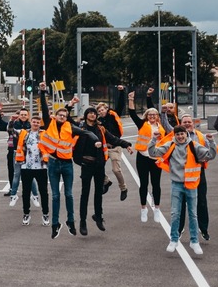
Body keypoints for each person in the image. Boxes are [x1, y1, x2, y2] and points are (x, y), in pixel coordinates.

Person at [147, 124, 217, 257]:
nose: (180, 136)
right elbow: (153, 153)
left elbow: (210, 155)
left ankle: (194, 241)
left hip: (191, 184)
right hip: (177, 184)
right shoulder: (170, 145)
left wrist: (212, 142)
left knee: (193, 213)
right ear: (175, 135)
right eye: (177, 134)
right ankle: (173, 239)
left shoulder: (194, 145)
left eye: (182, 134)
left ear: (186, 134)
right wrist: (153, 140)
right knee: (175, 213)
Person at [37, 84, 91, 239]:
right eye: (59, 115)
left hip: (67, 164)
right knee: (55, 195)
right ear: (55, 116)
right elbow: (46, 110)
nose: (62, 116)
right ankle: (55, 224)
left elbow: (84, 132)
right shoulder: (49, 123)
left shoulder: (70, 127)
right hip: (53, 163)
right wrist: (42, 92)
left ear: (67, 117)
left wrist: (94, 140)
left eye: (64, 115)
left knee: (68, 194)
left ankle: (70, 221)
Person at [73, 106, 131, 234]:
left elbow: (113, 139)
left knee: (98, 192)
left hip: (99, 164)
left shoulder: (101, 129)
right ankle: (83, 222)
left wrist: (126, 145)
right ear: (86, 115)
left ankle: (98, 217)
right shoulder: (80, 128)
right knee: (85, 193)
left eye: (94, 113)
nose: (93, 115)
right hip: (86, 164)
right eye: (90, 113)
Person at [129, 89, 172, 224]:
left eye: (154, 114)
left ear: (157, 116)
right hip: (142, 157)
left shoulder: (162, 127)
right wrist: (131, 99)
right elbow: (132, 113)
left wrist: (149, 97)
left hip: (156, 158)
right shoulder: (142, 124)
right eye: (150, 114)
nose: (152, 116)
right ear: (147, 116)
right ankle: (143, 208)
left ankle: (157, 208)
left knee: (156, 184)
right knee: (144, 183)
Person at [174, 115, 212, 241]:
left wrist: (202, 159)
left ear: (193, 124)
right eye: (184, 122)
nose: (187, 124)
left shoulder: (200, 136)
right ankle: (179, 229)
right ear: (181, 124)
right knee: (181, 203)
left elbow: (209, 153)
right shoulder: (176, 137)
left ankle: (204, 228)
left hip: (197, 173)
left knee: (201, 201)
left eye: (189, 122)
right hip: (182, 174)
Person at [14, 110, 49, 228]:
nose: (35, 124)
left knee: (43, 191)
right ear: (31, 122)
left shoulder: (44, 133)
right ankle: (26, 213)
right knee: (26, 191)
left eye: (37, 122)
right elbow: (11, 132)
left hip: (41, 166)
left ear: (40, 124)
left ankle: (45, 214)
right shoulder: (24, 133)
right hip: (26, 166)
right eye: (34, 122)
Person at [98, 89, 128, 201]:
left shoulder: (113, 116)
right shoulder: (99, 121)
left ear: (106, 109)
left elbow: (120, 105)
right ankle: (106, 181)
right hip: (105, 148)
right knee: (98, 167)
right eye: (99, 110)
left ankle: (123, 188)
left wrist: (122, 92)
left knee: (116, 170)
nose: (101, 111)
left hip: (115, 147)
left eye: (102, 109)